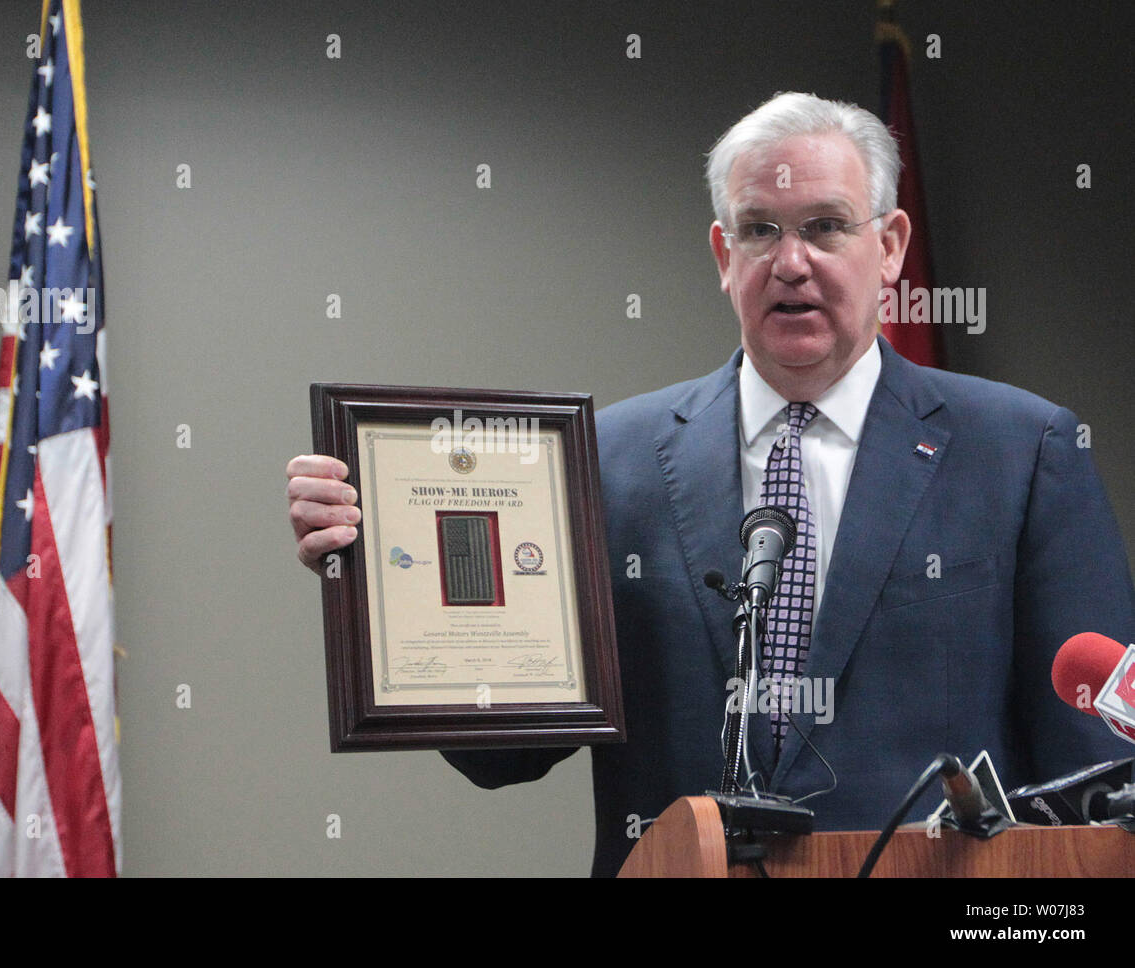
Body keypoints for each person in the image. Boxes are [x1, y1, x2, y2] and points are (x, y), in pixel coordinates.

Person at [286, 92, 1135, 877]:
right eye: (760, 230)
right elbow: (503, 755)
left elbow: (1095, 775)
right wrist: (382, 573)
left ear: (891, 247)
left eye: (827, 226)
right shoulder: (606, 460)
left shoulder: (1021, 449)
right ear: (724, 256)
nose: (791, 262)